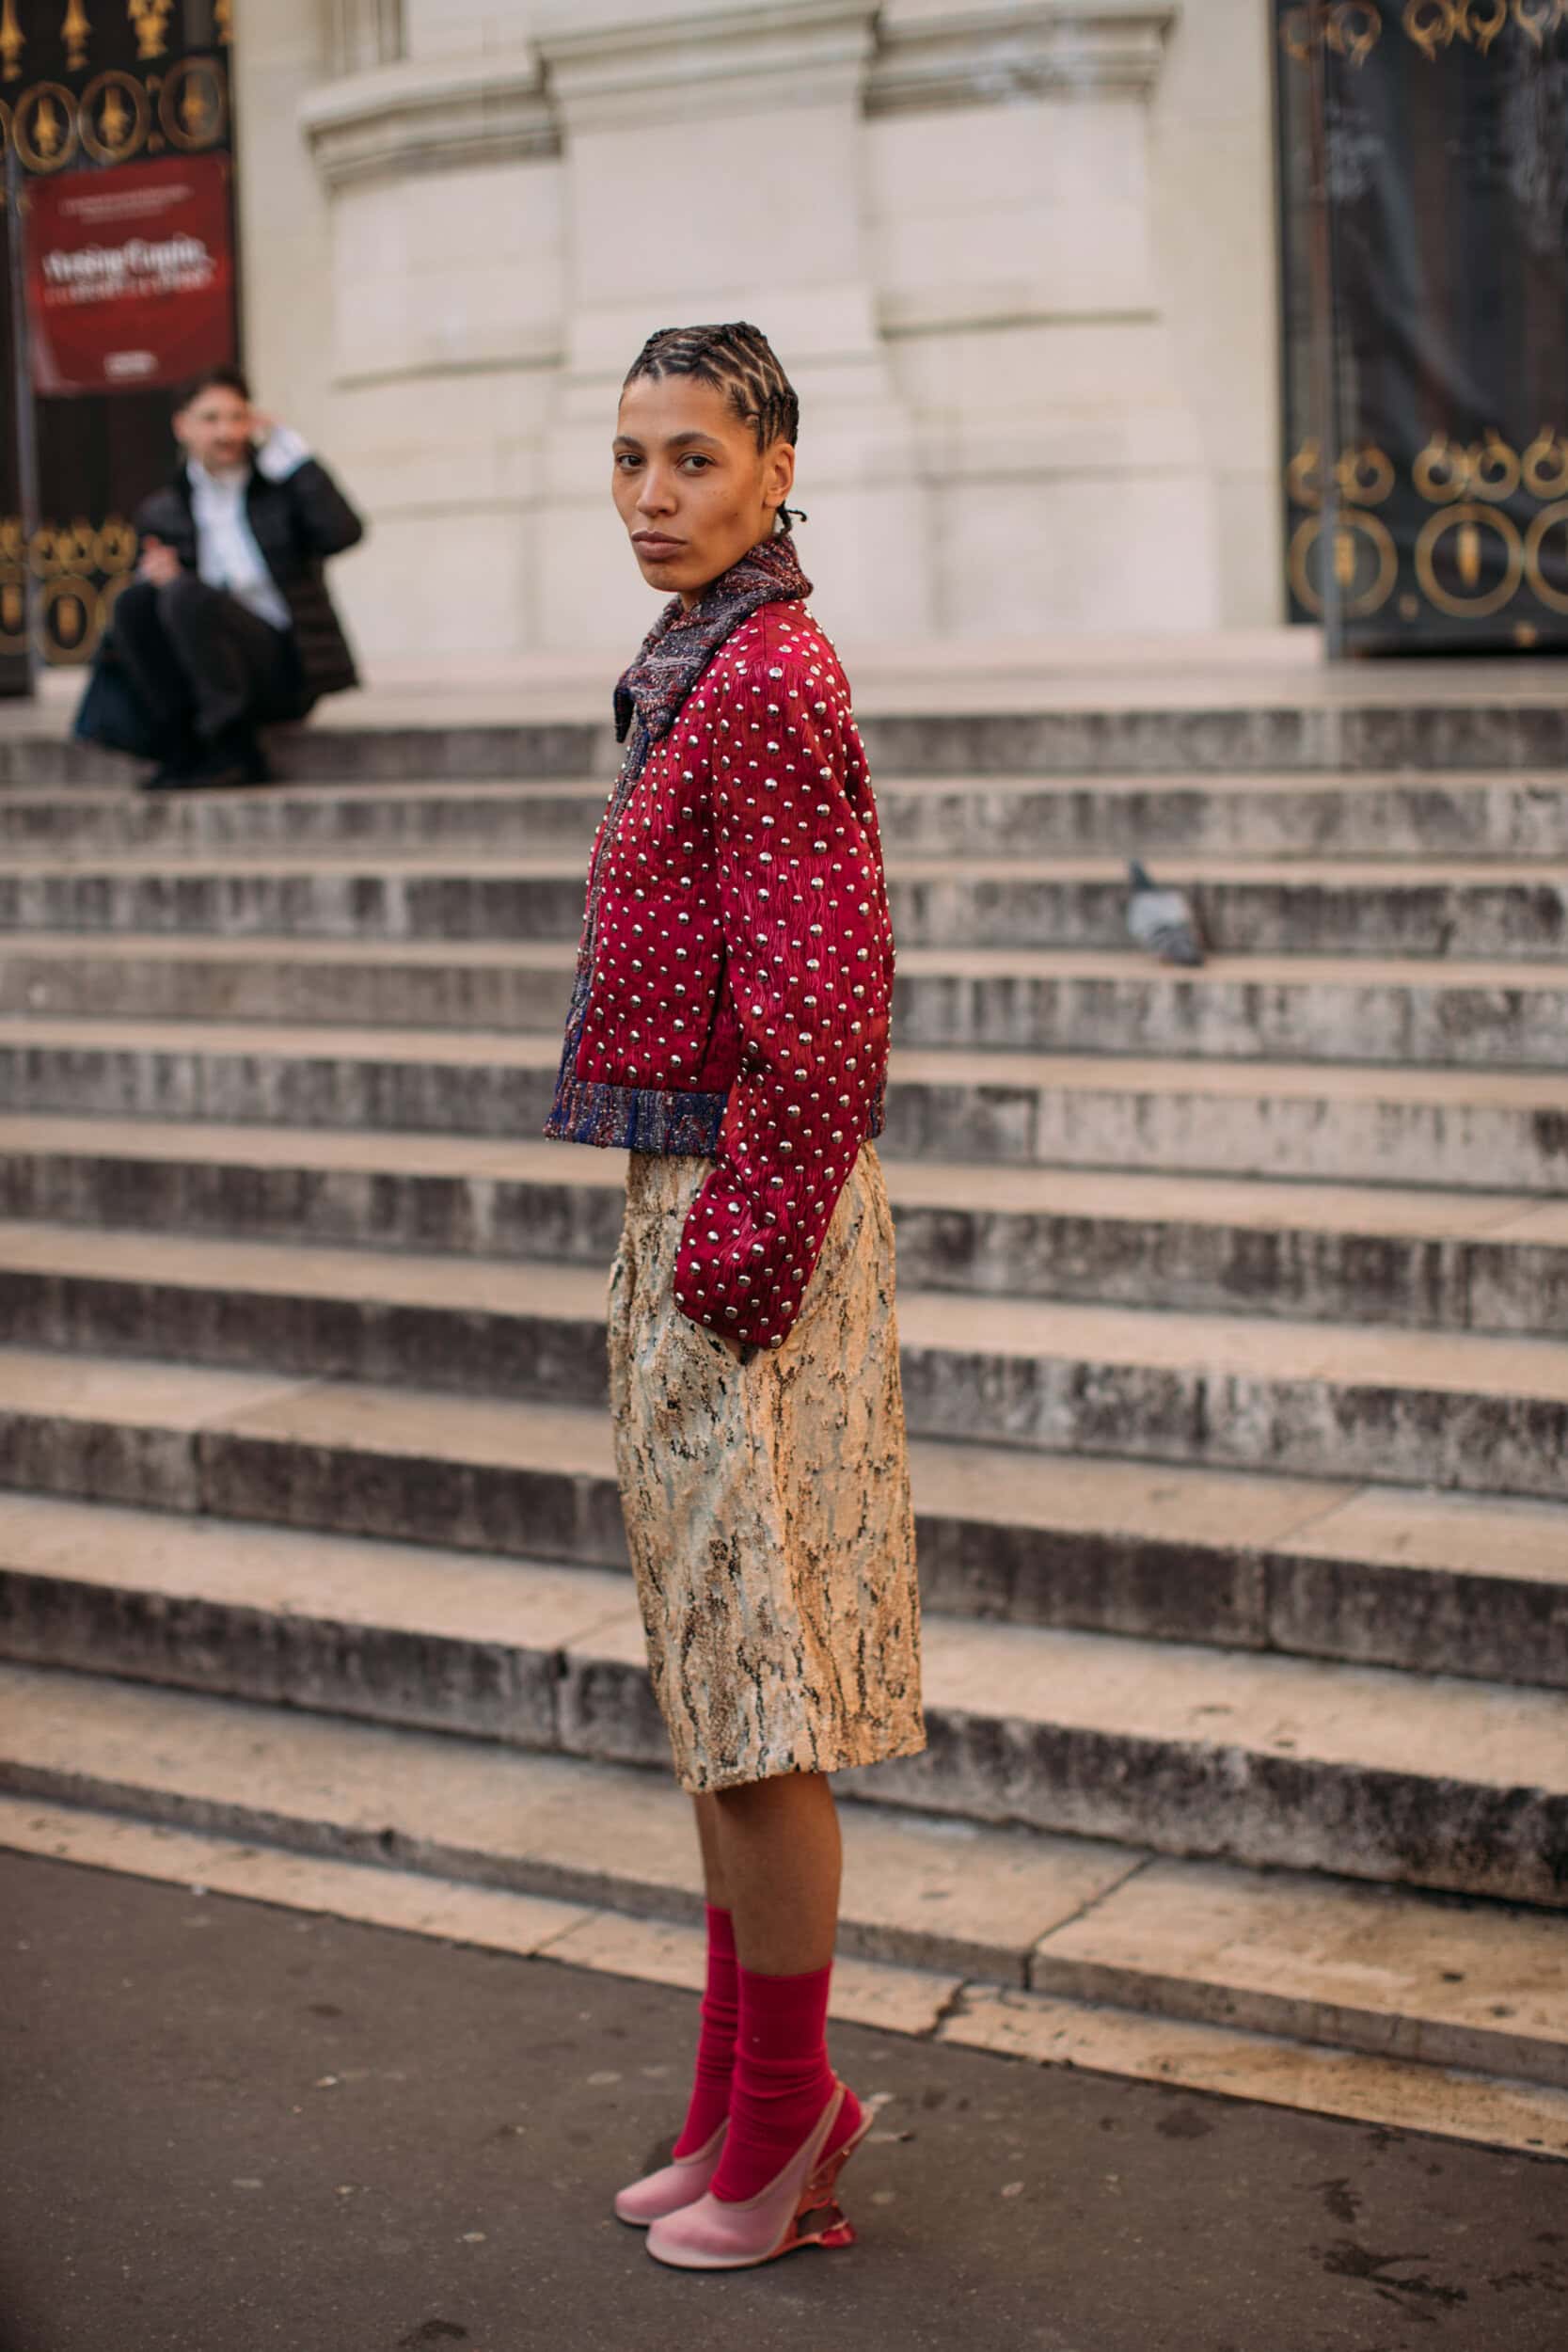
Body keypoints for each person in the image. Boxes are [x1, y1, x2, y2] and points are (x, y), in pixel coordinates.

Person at [544, 321, 925, 2272]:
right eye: (627, 458)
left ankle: (783, 2119)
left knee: (751, 1691)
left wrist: (732, 1274)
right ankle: (735, 2091)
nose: (650, 497)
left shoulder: (764, 673)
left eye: (690, 458)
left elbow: (828, 1013)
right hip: (694, 1193)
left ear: (775, 464)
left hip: (743, 1217)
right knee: (711, 1679)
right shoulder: (697, 660)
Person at [78, 364, 364, 789]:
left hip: (284, 667)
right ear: (183, 427)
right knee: (136, 601)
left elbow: (343, 533)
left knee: (185, 596)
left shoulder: (282, 492)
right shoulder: (162, 510)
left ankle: (234, 748)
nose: (226, 432)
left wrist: (299, 461)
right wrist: (160, 579)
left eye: (237, 417)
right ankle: (182, 745)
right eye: (211, 419)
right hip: (207, 668)